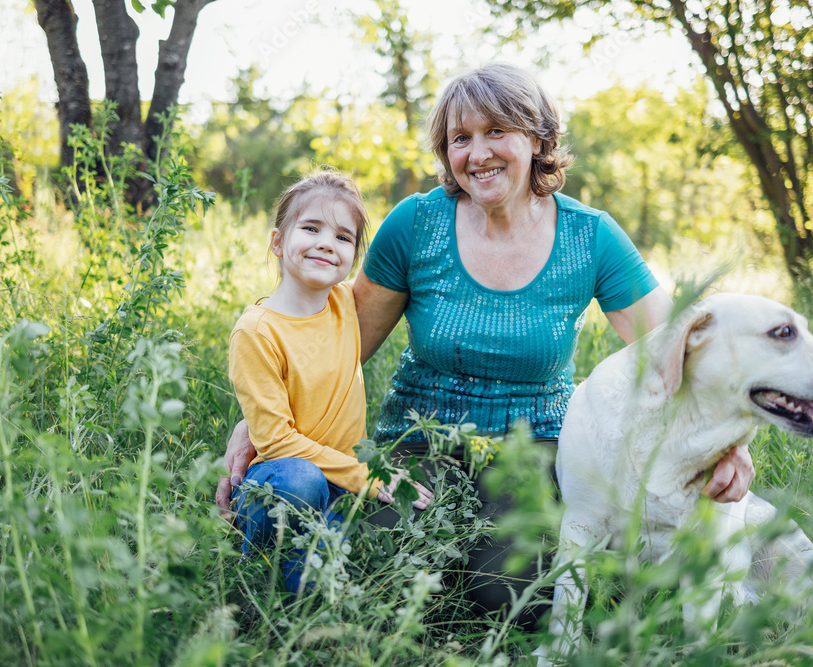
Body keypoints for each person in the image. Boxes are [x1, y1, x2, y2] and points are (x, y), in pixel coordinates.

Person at [218, 64, 754, 610]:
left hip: (534, 448)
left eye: (496, 131)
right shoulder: (416, 225)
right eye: (460, 139)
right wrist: (259, 420)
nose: (477, 154)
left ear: (538, 139)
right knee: (387, 579)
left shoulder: (587, 236)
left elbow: (675, 346)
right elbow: (336, 344)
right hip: (419, 441)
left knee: (509, 597)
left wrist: (728, 442)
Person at [224, 169, 433, 593]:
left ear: (353, 260)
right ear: (278, 242)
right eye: (311, 228)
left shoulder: (342, 303)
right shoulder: (257, 331)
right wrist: (368, 476)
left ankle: (320, 573)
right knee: (303, 482)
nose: (326, 243)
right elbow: (277, 442)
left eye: (343, 237)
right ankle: (273, 592)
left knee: (391, 539)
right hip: (281, 482)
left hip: (339, 487)